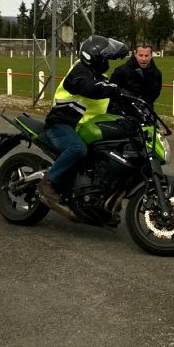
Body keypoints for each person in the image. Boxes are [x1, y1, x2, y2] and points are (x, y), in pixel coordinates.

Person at [38, 35, 130, 220]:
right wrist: (113, 88)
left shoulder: (99, 77)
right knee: (76, 149)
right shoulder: (80, 72)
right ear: (93, 56)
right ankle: (48, 183)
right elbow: (89, 88)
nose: (107, 61)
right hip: (62, 124)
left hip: (84, 128)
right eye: (105, 57)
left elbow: (108, 102)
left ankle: (102, 199)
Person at [107, 41, 162, 113]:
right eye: (141, 55)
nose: (143, 59)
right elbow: (111, 92)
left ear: (151, 55)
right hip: (122, 114)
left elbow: (155, 94)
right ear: (135, 54)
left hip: (146, 113)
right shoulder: (121, 71)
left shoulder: (156, 73)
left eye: (146, 55)